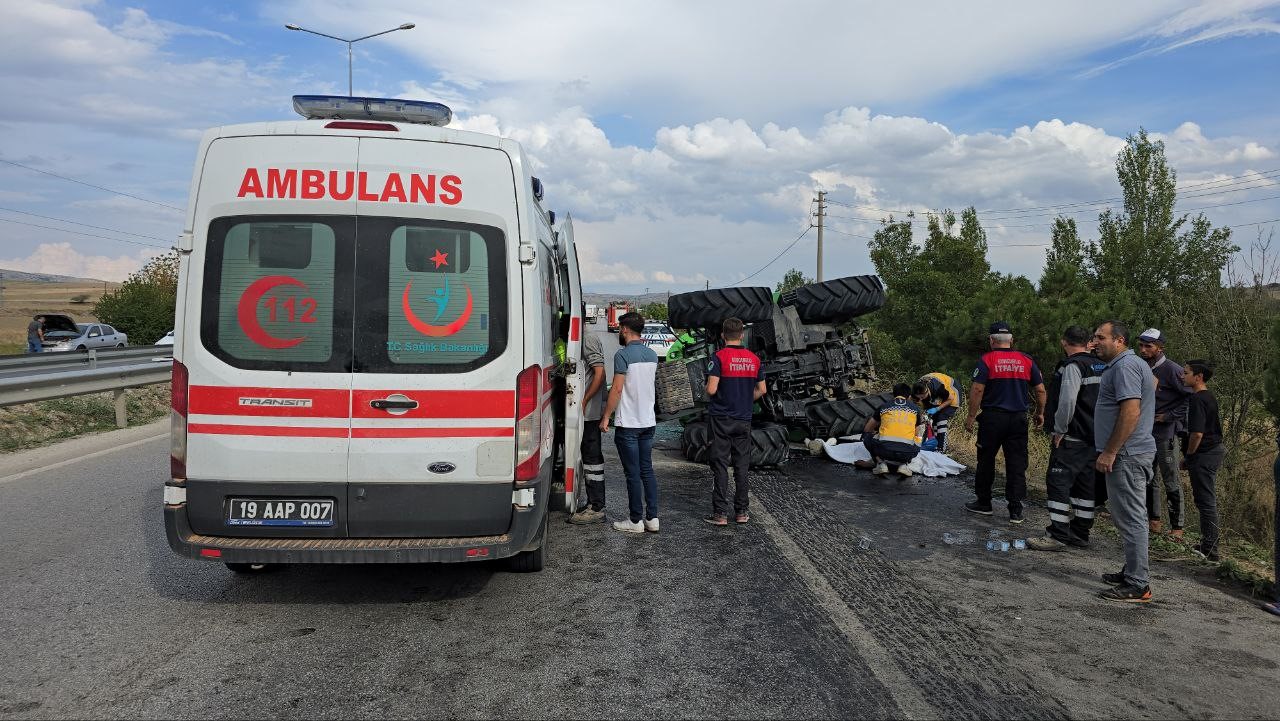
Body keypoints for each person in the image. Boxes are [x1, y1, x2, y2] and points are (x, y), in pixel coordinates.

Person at [1092, 320, 1157, 603]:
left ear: (1119, 340)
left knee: (1131, 518)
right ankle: (1132, 570)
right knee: (1130, 516)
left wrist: (1110, 451)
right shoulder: (1129, 366)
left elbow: (1131, 412)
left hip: (1127, 454)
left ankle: (1138, 584)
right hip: (1131, 452)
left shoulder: (1126, 366)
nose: (1095, 342)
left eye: (1100, 337)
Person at [1027, 326, 1107, 551]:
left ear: (1064, 342)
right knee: (1085, 486)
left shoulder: (1073, 366)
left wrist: (1060, 429)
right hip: (1094, 437)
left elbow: (1067, 402)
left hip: (1072, 436)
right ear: (1088, 342)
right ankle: (1080, 531)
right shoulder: (1101, 366)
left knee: (1058, 482)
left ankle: (1058, 533)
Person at [963, 321, 1046, 524]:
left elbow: (977, 390)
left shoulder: (986, 360)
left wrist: (971, 416)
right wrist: (1040, 412)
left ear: (991, 341)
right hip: (1018, 419)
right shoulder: (1026, 360)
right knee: (1016, 463)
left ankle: (984, 503)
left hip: (992, 418)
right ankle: (1015, 510)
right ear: (1011, 341)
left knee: (986, 460)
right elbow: (1041, 390)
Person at [702, 317, 767, 527]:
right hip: (743, 418)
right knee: (741, 465)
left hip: (721, 418)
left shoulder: (719, 357)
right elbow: (762, 390)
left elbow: (711, 389)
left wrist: (705, 390)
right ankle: (741, 512)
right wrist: (746, 399)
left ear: (723, 335)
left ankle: (720, 514)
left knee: (720, 465)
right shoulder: (754, 359)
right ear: (741, 335)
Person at [600, 312, 660, 534]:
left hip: (629, 425)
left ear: (625, 329)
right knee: (647, 470)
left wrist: (606, 416)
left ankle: (635, 521)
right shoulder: (652, 355)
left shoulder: (622, 355)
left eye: (620, 329)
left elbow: (616, 389)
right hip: (648, 422)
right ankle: (652, 518)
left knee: (632, 474)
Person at [1136, 328, 1193, 537]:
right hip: (1144, 432)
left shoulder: (1173, 370)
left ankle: (1177, 527)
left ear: (1160, 348)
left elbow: (1191, 397)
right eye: (1141, 345)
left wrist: (1169, 415)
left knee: (1170, 477)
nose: (1143, 349)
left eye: (1148, 346)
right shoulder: (1142, 366)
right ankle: (1154, 520)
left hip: (1165, 433)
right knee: (1149, 476)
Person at [1180, 360, 1225, 562]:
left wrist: (1189, 456)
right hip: (1211, 451)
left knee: (1206, 501)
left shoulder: (1198, 399)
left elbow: (1197, 433)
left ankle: (1210, 548)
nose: (1182, 376)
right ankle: (1208, 543)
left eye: (1186, 373)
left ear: (1198, 377)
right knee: (1205, 500)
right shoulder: (1208, 397)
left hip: (1205, 454)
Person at [568, 327, 608, 524]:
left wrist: (584, 400)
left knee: (592, 459)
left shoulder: (588, 338)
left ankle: (597, 507)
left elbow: (599, 372)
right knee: (586, 457)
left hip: (589, 413)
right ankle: (593, 503)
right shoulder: (580, 337)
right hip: (584, 412)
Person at [862, 383, 927, 478]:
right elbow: (917, 432)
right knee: (919, 436)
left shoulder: (884, 406)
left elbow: (867, 428)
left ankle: (880, 464)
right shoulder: (915, 409)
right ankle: (904, 465)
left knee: (866, 436)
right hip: (907, 453)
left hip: (884, 451)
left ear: (893, 395)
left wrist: (877, 433)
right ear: (909, 397)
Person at [912, 372, 961, 452]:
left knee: (941, 418)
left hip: (952, 393)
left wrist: (937, 409)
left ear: (927, 391)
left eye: (922, 397)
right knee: (934, 419)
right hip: (936, 396)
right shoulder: (917, 389)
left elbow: (950, 399)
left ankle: (942, 448)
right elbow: (914, 402)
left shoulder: (937, 387)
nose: (920, 399)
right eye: (919, 397)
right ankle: (936, 445)